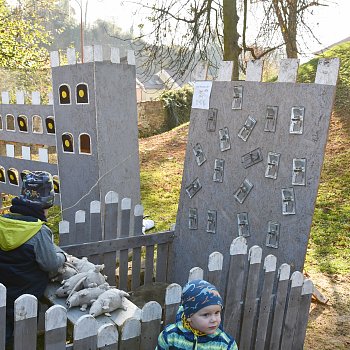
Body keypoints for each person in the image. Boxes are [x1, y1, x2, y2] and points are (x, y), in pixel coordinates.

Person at [0, 171, 66, 344]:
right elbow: (50, 264)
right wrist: (62, 256)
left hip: (3, 292)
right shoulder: (38, 232)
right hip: (26, 296)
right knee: (22, 338)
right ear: (48, 202)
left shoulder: (2, 223)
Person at [156, 279, 238, 350]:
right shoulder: (170, 336)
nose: (214, 320)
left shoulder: (225, 344)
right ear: (189, 316)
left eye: (217, 313)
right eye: (206, 315)